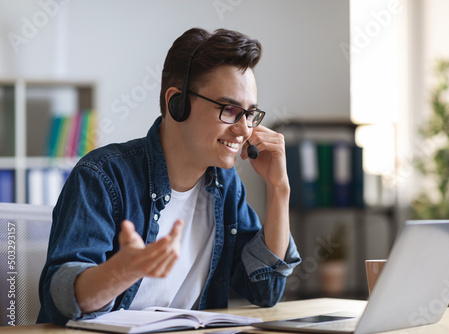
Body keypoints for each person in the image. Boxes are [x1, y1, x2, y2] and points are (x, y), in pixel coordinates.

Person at [37, 27, 301, 325]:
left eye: (250, 114)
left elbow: (266, 290)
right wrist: (123, 270)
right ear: (177, 102)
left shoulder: (226, 187)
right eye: (229, 110)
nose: (244, 130)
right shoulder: (103, 176)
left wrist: (279, 189)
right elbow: (60, 299)